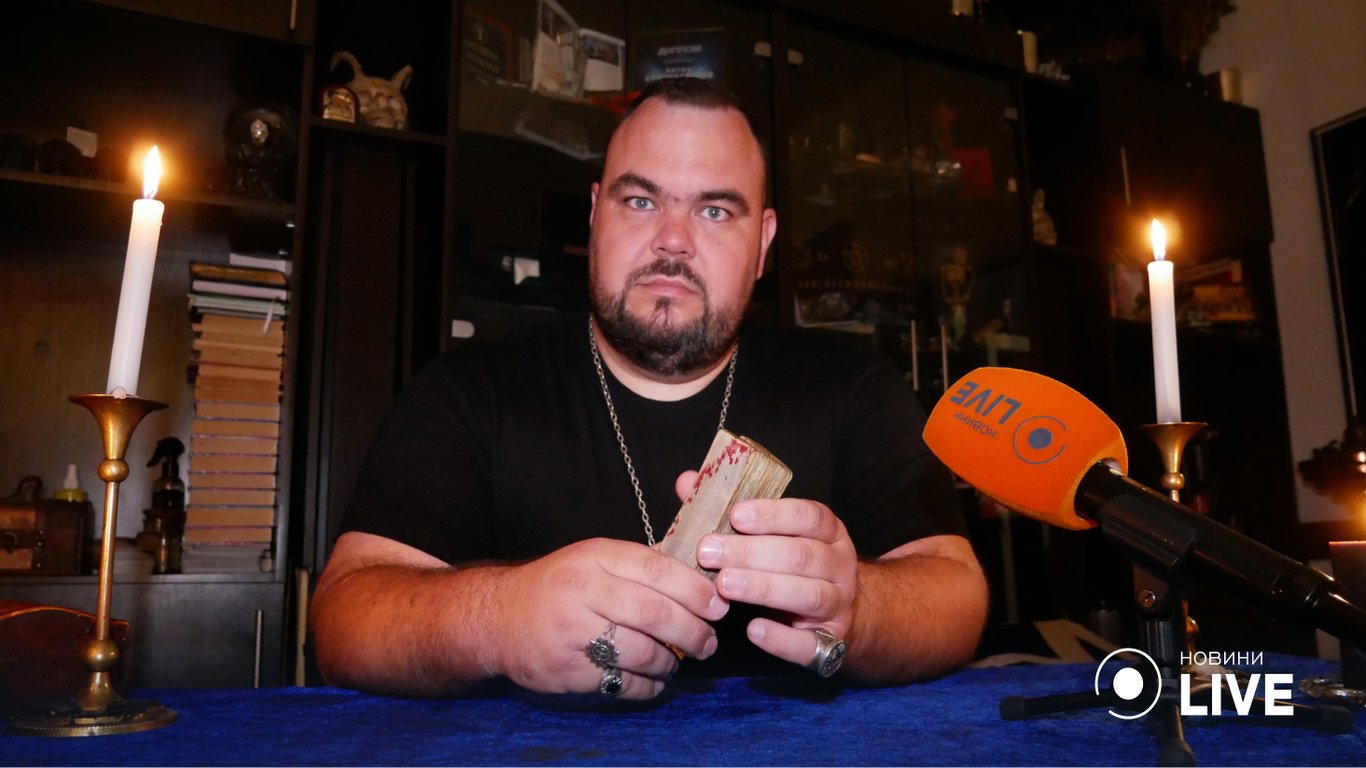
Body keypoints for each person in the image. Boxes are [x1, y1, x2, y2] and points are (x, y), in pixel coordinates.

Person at [311, 77, 988, 701]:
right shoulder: (468, 391)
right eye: (641, 201)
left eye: (715, 211)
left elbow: (956, 592)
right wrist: (494, 618)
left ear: (763, 244)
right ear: (595, 214)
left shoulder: (853, 382)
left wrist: (858, 607)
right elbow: (343, 619)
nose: (672, 241)